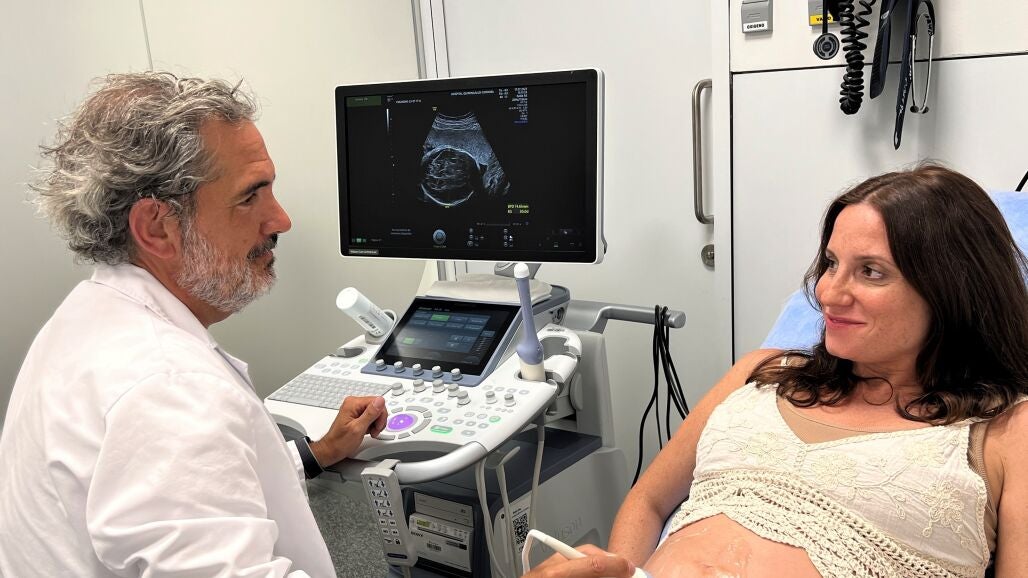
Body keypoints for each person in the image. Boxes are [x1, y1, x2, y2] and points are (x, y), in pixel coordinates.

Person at [0, 72, 388, 577]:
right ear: (156, 228)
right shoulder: (169, 389)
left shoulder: (88, 316)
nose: (280, 220)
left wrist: (318, 453)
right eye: (250, 196)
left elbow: (183, 499)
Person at [607, 165, 1028, 577]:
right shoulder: (761, 372)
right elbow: (648, 501)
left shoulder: (1008, 430)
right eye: (831, 263)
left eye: (870, 271)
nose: (828, 292)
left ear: (952, 290)